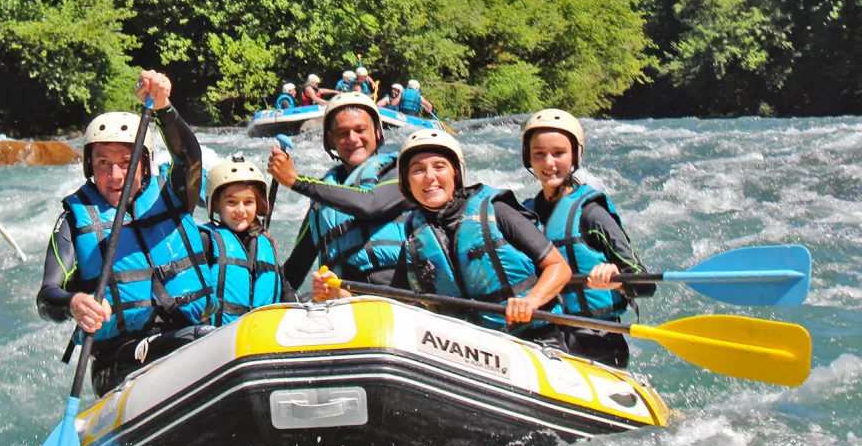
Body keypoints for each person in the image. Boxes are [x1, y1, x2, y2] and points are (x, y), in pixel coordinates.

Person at [36, 70, 215, 396]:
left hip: (195, 337)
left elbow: (190, 158)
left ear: (145, 163)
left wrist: (163, 107)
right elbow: (47, 297)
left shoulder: (174, 196)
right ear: (90, 167)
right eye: (103, 162)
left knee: (201, 337)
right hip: (117, 361)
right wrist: (74, 302)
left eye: (126, 161)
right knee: (198, 340)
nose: (115, 174)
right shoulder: (74, 222)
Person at [312, 129, 571, 341]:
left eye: (439, 167)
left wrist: (531, 300)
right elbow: (398, 299)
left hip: (536, 339)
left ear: (455, 174)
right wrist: (340, 294)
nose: (430, 177)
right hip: (477, 347)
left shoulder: (495, 209)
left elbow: (559, 268)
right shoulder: (416, 235)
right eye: (418, 170)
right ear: (407, 183)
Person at [520, 109, 651, 367]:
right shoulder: (524, 213)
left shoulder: (592, 215)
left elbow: (644, 283)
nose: (549, 163)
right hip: (545, 336)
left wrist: (616, 281)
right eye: (539, 154)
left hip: (596, 339)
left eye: (559, 153)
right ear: (528, 158)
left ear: (575, 156)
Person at [269, 92, 411, 290]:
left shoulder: (403, 174)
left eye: (360, 130)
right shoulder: (322, 202)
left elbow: (370, 204)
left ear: (377, 133)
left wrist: (296, 181)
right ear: (330, 139)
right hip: (342, 307)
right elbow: (294, 271)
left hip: (403, 302)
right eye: (343, 133)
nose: (353, 139)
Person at [200, 154, 297, 326]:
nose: (240, 210)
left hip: (260, 338)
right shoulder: (206, 241)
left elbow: (287, 295)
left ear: (258, 205)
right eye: (231, 202)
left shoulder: (265, 243)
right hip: (217, 337)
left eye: (248, 202)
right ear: (215, 205)